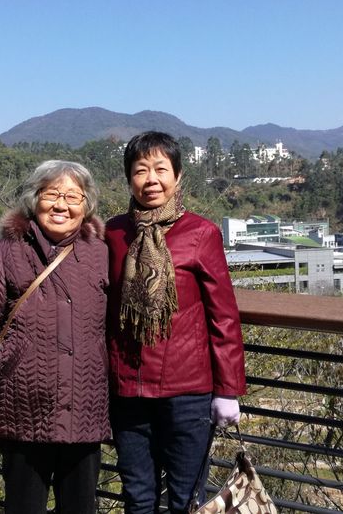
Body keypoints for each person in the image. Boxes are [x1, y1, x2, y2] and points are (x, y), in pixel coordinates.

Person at [106, 131, 247, 514]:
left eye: (160, 169)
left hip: (187, 392)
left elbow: (223, 316)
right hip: (128, 390)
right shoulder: (113, 234)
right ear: (129, 178)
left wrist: (228, 390)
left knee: (186, 500)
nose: (151, 180)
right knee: (138, 497)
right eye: (140, 170)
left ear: (178, 175)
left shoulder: (201, 233)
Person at [0, 160, 109, 514]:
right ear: (34, 198)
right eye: (51, 194)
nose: (61, 205)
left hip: (84, 409)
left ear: (86, 205)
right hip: (22, 410)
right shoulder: (7, 252)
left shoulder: (101, 253)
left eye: (72, 196)